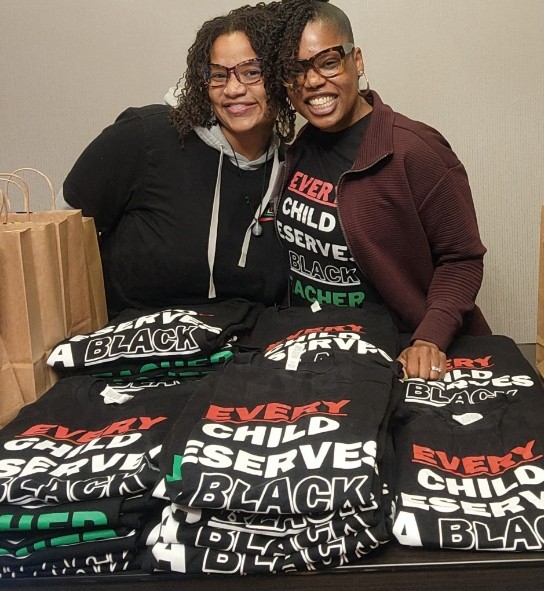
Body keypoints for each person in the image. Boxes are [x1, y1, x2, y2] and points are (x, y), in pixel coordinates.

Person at [269, 0, 491, 380]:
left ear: (356, 61)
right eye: (295, 69)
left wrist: (429, 340)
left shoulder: (414, 149)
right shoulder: (299, 149)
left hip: (400, 355)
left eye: (327, 61)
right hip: (319, 354)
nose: (312, 81)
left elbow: (462, 258)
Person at [61, 3, 294, 319]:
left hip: (240, 355)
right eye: (218, 75)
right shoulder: (144, 137)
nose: (234, 89)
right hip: (130, 353)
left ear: (281, 76)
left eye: (252, 72)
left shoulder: (294, 165)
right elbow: (59, 239)